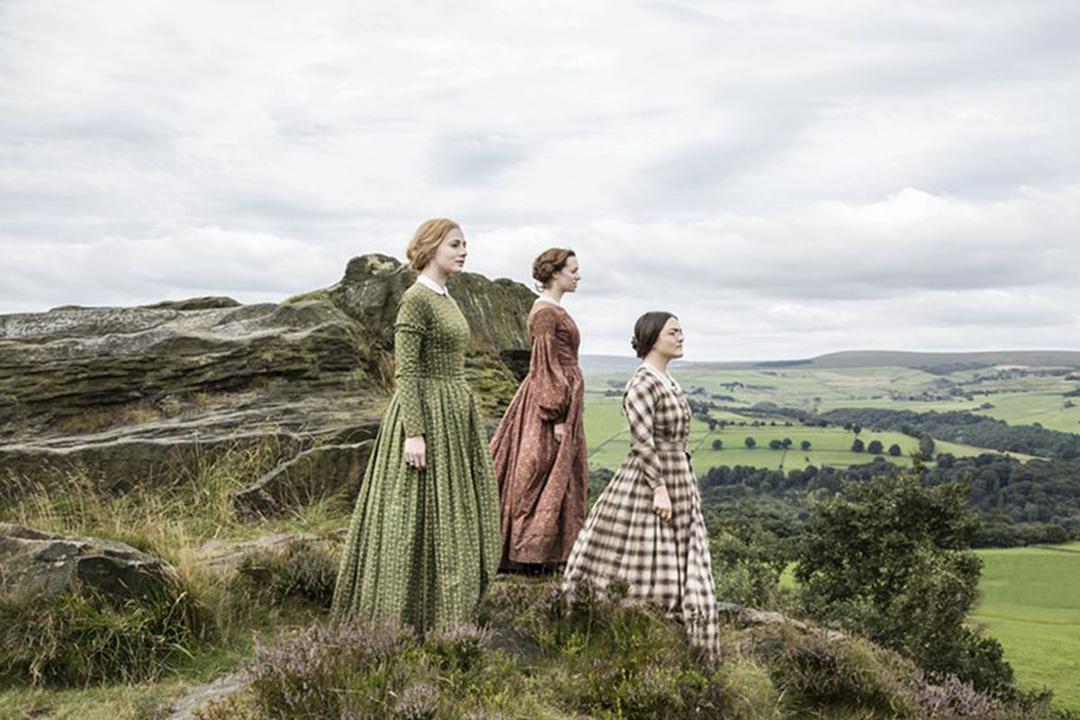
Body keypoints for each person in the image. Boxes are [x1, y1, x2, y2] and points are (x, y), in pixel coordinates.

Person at [331, 218, 500, 634]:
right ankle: (406, 617)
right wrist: (414, 433)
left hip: (453, 411)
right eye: (455, 244)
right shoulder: (416, 299)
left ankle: (450, 608)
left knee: (454, 511)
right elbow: (406, 371)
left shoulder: (446, 296)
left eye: (465, 244)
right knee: (414, 515)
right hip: (425, 413)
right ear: (430, 247)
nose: (464, 251)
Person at [562, 312, 720, 659]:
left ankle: (679, 619)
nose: (681, 337)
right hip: (652, 476)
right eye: (673, 332)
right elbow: (642, 440)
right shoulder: (643, 383)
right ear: (652, 338)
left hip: (678, 473)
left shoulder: (667, 380)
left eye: (681, 331)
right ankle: (637, 622)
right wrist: (658, 488)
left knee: (682, 544)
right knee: (644, 543)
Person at [490, 249, 588, 573]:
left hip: (563, 398)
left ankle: (550, 552)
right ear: (555, 273)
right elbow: (544, 364)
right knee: (541, 470)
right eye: (573, 270)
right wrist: (556, 413)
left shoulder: (553, 309)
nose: (578, 275)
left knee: (559, 473)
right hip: (550, 403)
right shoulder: (545, 313)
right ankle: (530, 553)